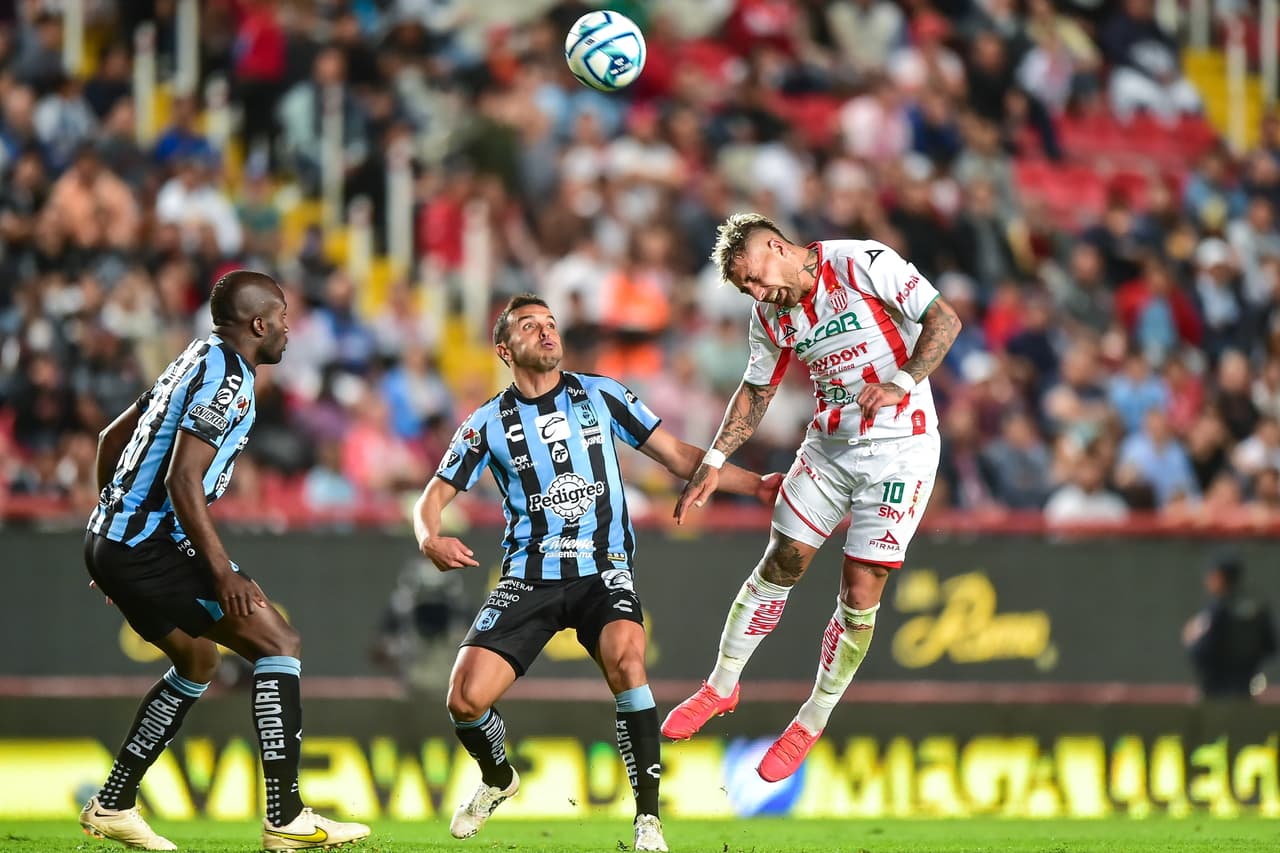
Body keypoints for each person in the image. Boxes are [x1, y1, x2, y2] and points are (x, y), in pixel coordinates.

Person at [413, 294, 780, 852]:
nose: (546, 332)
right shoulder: (486, 422)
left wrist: (754, 486)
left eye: (551, 323)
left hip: (602, 568)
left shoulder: (601, 394)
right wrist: (428, 537)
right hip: (528, 575)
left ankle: (648, 821)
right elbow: (431, 499)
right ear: (503, 348)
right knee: (464, 701)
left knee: (629, 661)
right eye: (530, 326)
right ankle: (497, 780)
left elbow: (680, 456)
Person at [663, 213, 961, 782]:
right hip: (828, 447)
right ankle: (719, 688)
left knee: (861, 587)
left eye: (754, 276)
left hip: (903, 446)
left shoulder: (862, 262)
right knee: (782, 561)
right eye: (746, 288)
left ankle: (810, 720)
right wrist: (715, 460)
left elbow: (944, 322)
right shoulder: (770, 314)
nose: (757, 291)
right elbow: (757, 390)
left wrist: (898, 382)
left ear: (777, 245)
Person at [80, 271, 370, 851]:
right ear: (259, 324)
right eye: (284, 317)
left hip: (113, 540)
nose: (290, 328)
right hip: (145, 545)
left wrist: (112, 540)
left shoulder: (193, 356)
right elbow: (183, 479)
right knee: (278, 643)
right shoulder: (228, 379)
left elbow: (112, 439)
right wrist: (221, 572)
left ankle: (112, 803)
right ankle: (285, 817)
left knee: (197, 662)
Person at [1183, 555, 1277, 699]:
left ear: (1220, 577)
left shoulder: (1217, 611)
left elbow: (1201, 653)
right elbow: (1271, 647)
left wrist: (1191, 637)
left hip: (1215, 693)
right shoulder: (1258, 609)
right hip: (1246, 691)